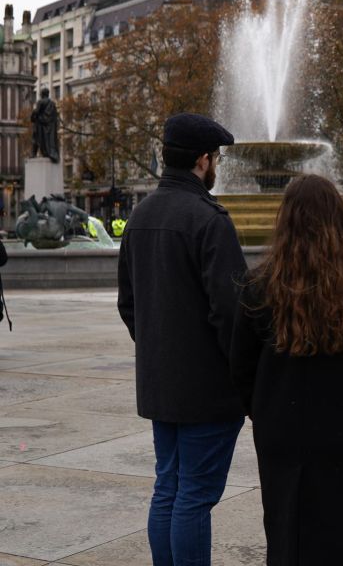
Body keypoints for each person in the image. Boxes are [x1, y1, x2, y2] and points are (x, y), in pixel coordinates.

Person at [229, 175, 343, 564]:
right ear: (339, 220)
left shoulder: (259, 285)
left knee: (287, 527)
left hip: (283, 430)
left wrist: (260, 410)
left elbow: (240, 365)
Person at [117, 113, 247, 566]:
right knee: (194, 494)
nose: (217, 167)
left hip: (161, 384)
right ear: (202, 160)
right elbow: (232, 312)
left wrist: (159, 346)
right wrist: (240, 372)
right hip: (207, 390)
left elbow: (128, 304)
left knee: (168, 486)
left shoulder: (140, 216)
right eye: (216, 159)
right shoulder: (210, 220)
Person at [30, 87, 59, 163]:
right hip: (50, 126)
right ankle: (50, 152)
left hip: (40, 125)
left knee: (35, 138)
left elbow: (36, 111)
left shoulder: (41, 102)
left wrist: (32, 116)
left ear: (42, 94)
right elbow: (55, 116)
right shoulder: (52, 103)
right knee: (48, 140)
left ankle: (33, 154)